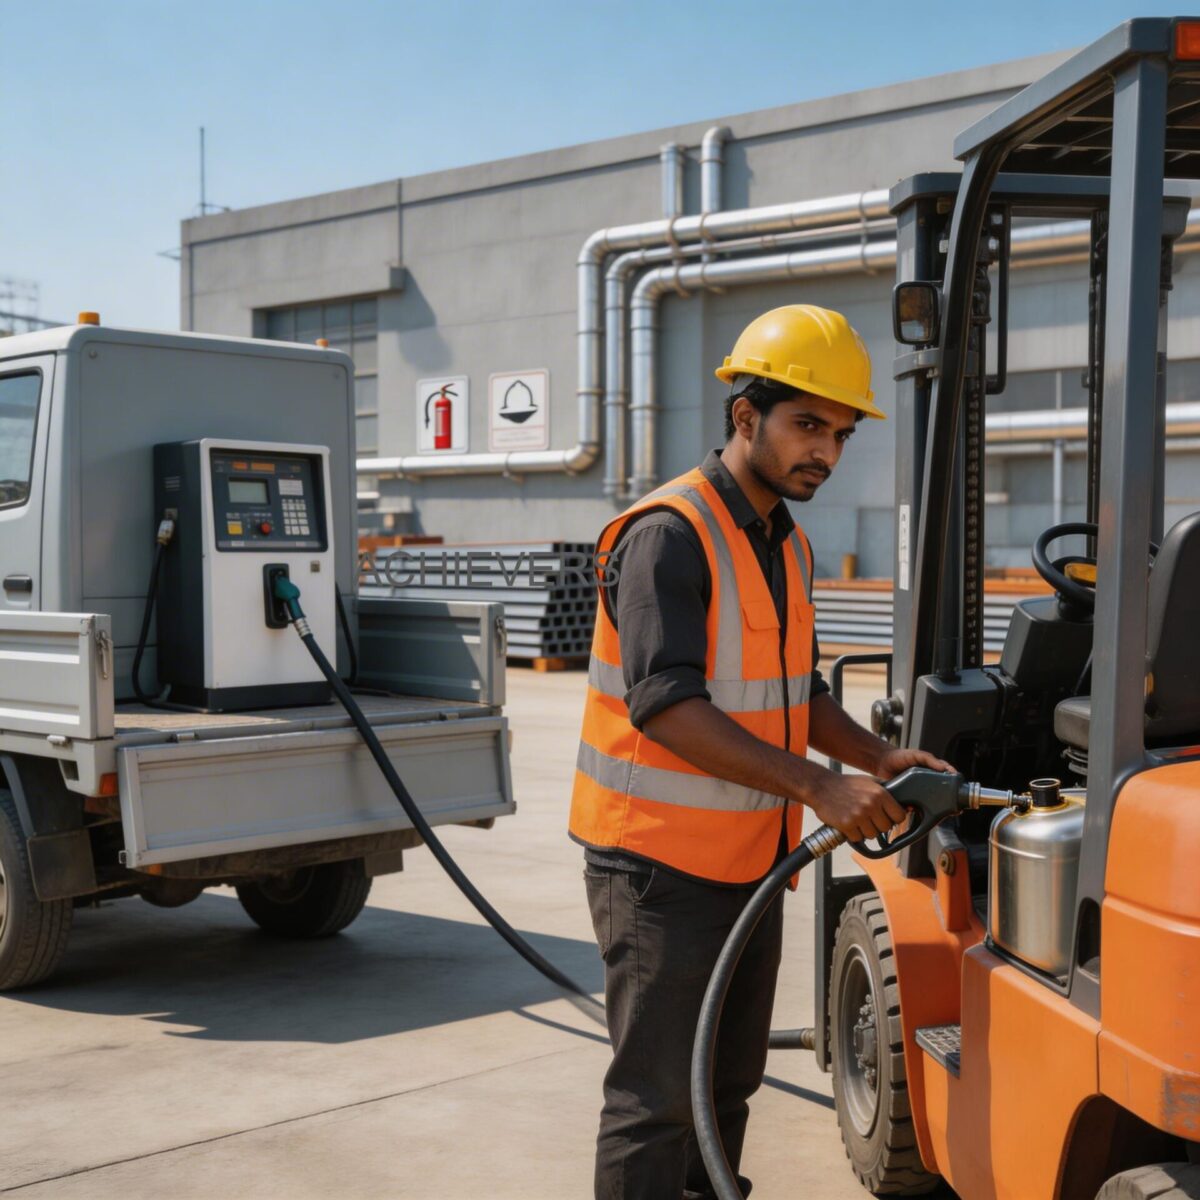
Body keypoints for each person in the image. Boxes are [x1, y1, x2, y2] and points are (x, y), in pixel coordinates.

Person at [569, 304, 951, 1200]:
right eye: (808, 425)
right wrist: (821, 786)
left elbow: (795, 690)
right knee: (656, 1100)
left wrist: (876, 755)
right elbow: (666, 706)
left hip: (748, 863)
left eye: (841, 433)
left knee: (724, 1086)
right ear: (747, 418)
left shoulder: (784, 537)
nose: (825, 449)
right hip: (656, 868)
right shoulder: (668, 533)